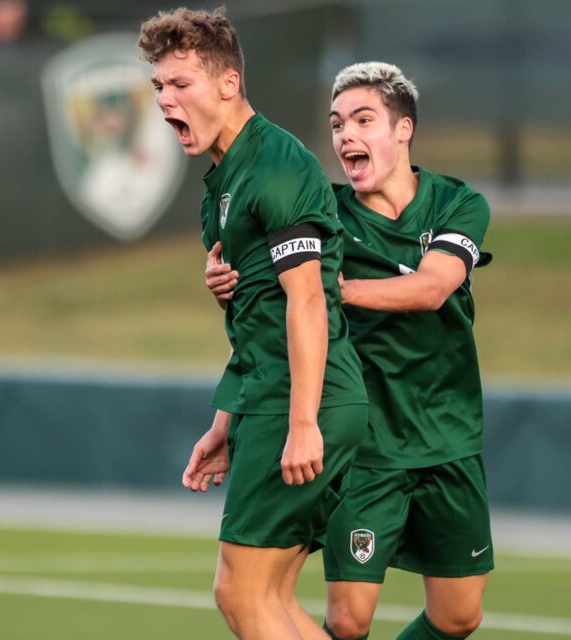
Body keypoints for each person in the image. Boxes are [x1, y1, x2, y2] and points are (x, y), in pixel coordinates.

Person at [207, 62, 494, 640]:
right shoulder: (325, 212)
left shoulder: (457, 204)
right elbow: (272, 312)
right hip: (366, 442)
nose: (345, 137)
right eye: (337, 124)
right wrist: (226, 282)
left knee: (460, 615)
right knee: (347, 618)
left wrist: (332, 289)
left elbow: (433, 287)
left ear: (403, 129)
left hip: (448, 433)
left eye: (364, 120)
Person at [140, 9, 369, 639]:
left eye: (180, 84)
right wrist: (224, 422)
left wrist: (302, 423)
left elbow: (308, 302)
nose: (165, 100)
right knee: (271, 596)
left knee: (239, 592)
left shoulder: (274, 165)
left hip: (300, 403)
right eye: (159, 86)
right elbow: (258, 317)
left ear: (228, 84)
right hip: (270, 399)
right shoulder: (221, 183)